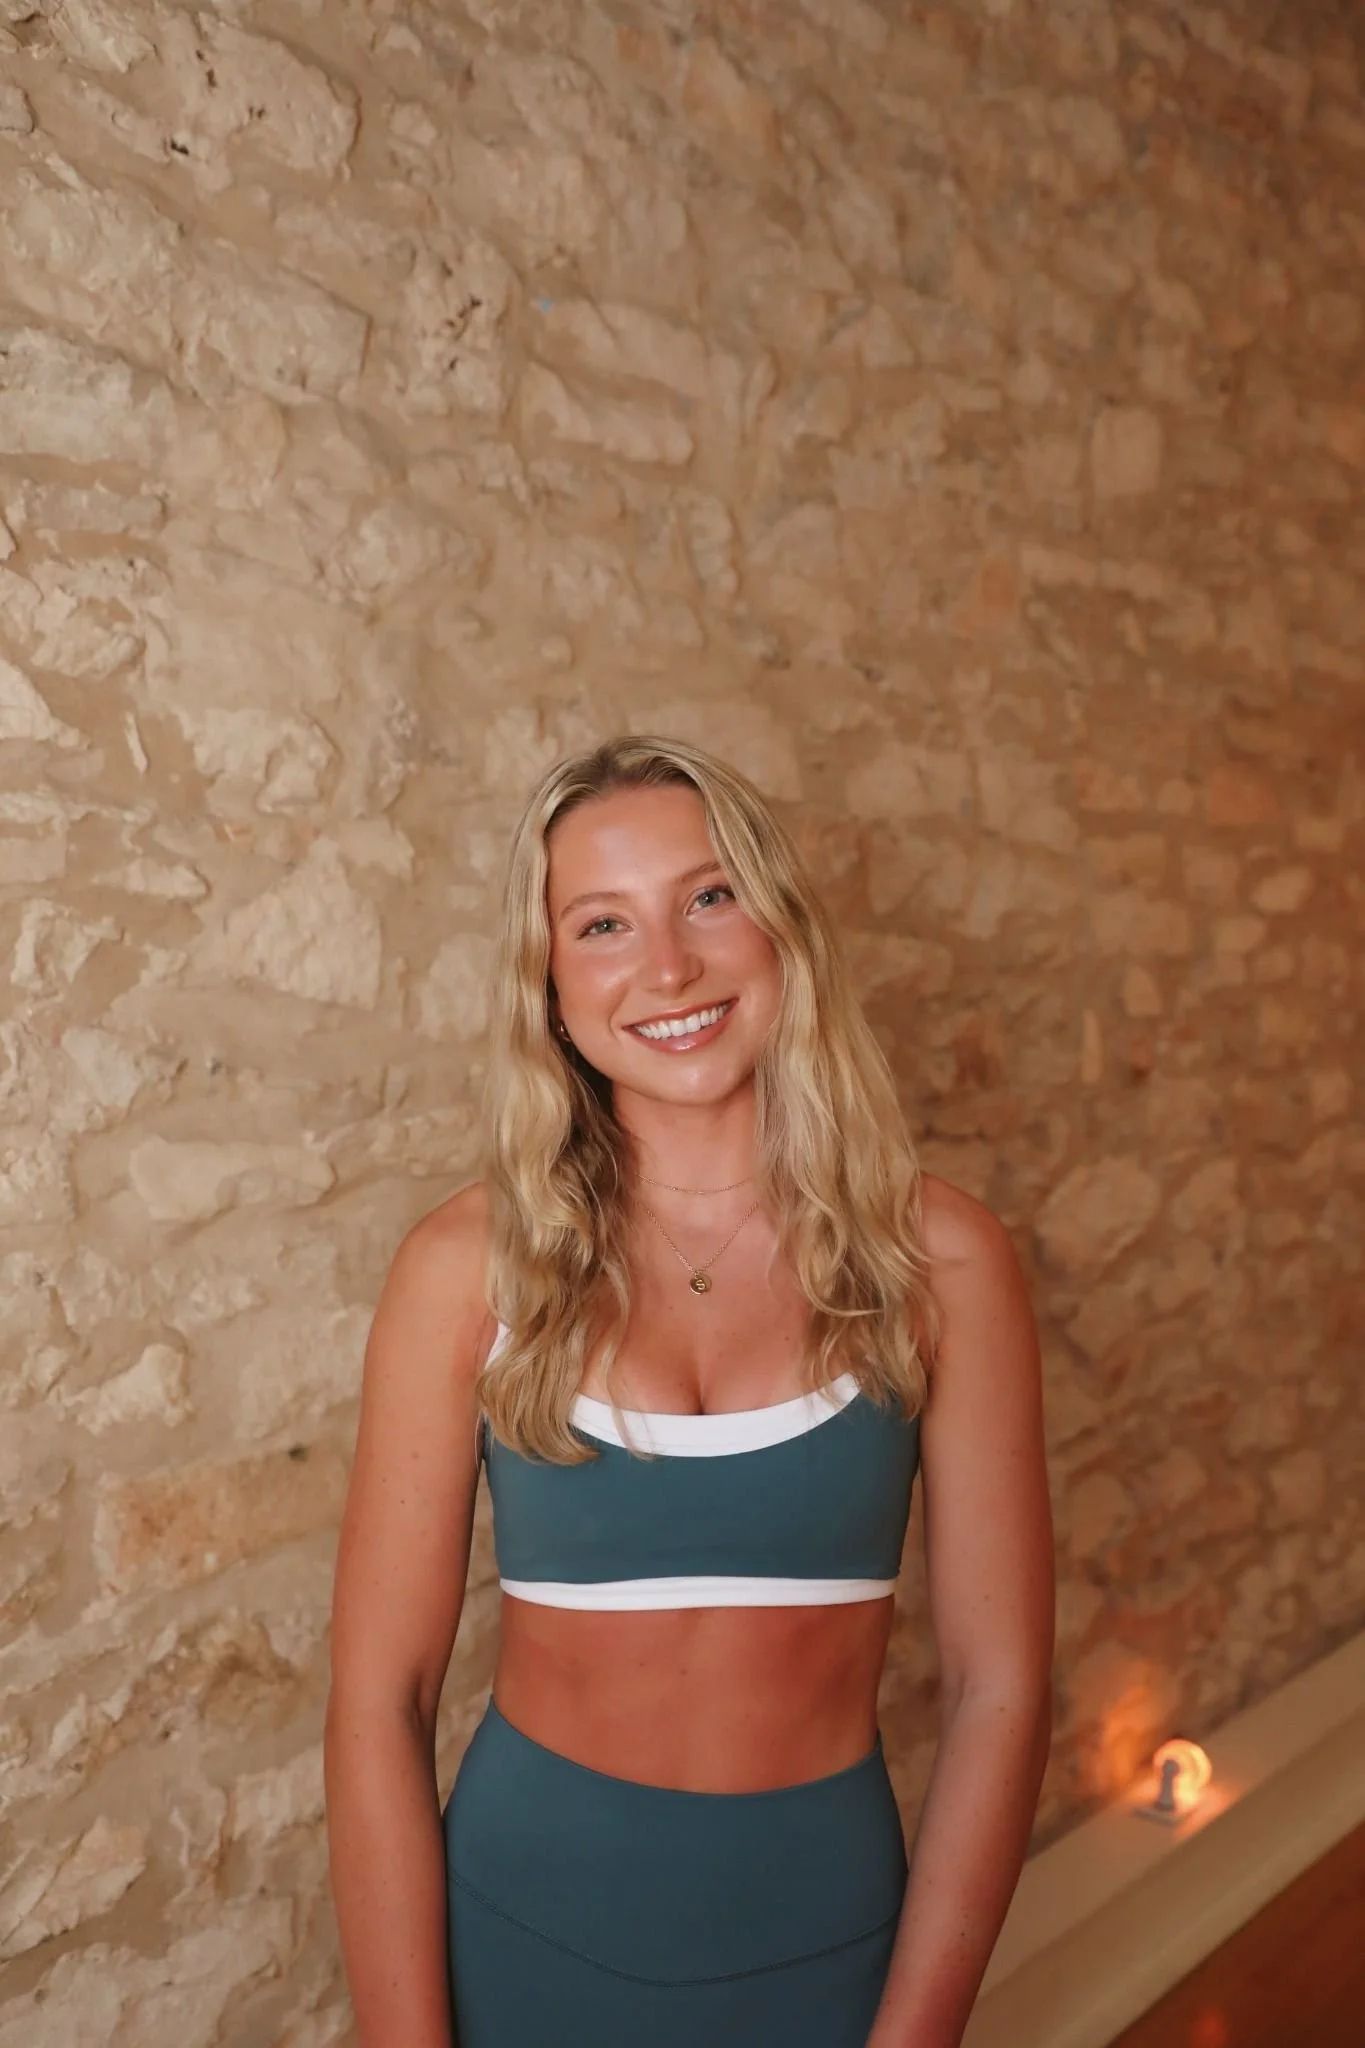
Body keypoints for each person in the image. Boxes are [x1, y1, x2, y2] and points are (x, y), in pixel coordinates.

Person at [323, 734, 1054, 2048]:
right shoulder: (463, 1273)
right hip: (517, 1944)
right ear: (549, 986)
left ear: (781, 926)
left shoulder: (941, 1261)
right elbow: (380, 1695)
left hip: (830, 1955)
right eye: (603, 925)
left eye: (708, 898)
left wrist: (916, 2035)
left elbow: (1001, 1687)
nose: (668, 967)